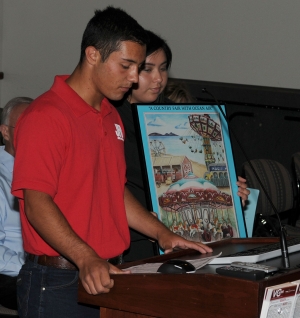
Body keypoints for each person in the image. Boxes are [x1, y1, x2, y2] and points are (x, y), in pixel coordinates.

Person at [11, 7, 212, 318]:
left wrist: (162, 233)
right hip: (60, 280)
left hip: (111, 272)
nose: (133, 78)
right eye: (126, 66)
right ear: (93, 55)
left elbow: (114, 191)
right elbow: (37, 203)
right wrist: (86, 257)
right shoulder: (45, 116)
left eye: (138, 68)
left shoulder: (109, 115)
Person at [115, 30, 250, 262]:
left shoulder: (180, 114)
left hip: (190, 245)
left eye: (163, 68)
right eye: (148, 69)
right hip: (133, 244)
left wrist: (230, 193)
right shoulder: (110, 116)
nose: (159, 78)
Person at [0, 97, 32, 311]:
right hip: (12, 273)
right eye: (24, 126)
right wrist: (31, 268)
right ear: (5, 132)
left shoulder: (55, 167)